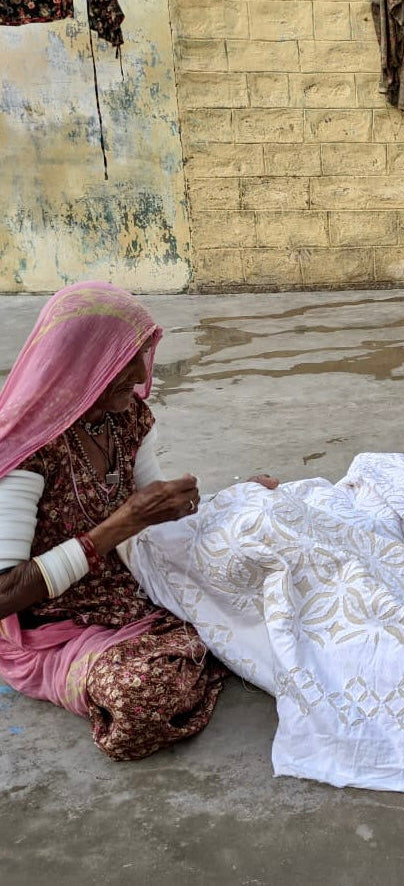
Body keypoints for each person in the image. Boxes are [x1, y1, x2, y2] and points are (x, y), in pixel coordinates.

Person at [0, 282, 277, 760]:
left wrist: (234, 498)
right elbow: (5, 591)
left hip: (134, 587)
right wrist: (121, 524)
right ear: (79, 361)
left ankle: (196, 646)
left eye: (141, 356)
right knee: (140, 697)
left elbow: (157, 516)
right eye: (124, 359)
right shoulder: (27, 447)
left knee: (267, 571)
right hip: (57, 623)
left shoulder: (126, 419)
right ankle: (201, 648)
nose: (139, 374)